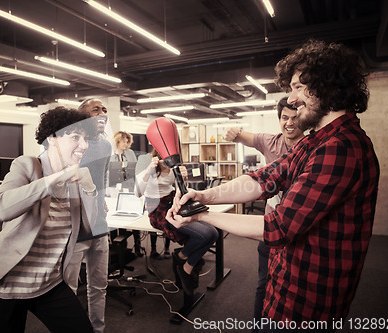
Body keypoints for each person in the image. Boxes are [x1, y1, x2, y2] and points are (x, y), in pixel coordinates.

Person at [167, 39, 379, 329]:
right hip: (286, 288)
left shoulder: (340, 147)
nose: (291, 99)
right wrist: (203, 195)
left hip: (308, 305)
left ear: (325, 85)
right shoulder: (316, 142)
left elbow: (279, 227)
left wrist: (200, 214)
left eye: (296, 88)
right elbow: (264, 179)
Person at [0, 107, 96, 333]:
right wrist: (54, 179)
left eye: (86, 138)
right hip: (7, 283)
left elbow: (88, 228)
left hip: (50, 283)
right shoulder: (27, 165)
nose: (84, 145)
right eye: (75, 137)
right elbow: (2, 207)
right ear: (52, 138)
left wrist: (90, 189)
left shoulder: (74, 179)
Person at [224, 97, 304, 327]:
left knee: (293, 287)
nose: (289, 123)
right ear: (279, 119)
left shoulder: (313, 147)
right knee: (264, 282)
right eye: (284, 118)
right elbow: (242, 135)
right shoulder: (271, 142)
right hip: (270, 225)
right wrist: (233, 131)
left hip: (297, 227)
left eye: (295, 118)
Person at [135, 149, 218, 295]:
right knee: (205, 234)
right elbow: (137, 192)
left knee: (214, 233)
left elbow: (181, 192)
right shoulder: (147, 161)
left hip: (173, 204)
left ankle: (183, 260)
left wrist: (184, 179)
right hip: (157, 211)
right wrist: (149, 170)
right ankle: (185, 264)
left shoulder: (174, 165)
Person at [67, 98, 112, 333]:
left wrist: (102, 202)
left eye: (105, 109)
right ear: (83, 116)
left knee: (99, 286)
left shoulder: (106, 146)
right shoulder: (71, 144)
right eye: (96, 109)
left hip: (100, 226)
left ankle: (98, 329)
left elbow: (102, 179)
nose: (103, 113)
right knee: (69, 288)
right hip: (76, 226)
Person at [111, 131, 143, 256]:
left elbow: (135, 170)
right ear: (118, 141)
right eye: (124, 141)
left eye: (127, 141)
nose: (126, 144)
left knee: (133, 217)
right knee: (116, 220)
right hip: (114, 190)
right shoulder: (110, 154)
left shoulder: (129, 153)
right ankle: (118, 249)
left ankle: (137, 247)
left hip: (129, 189)